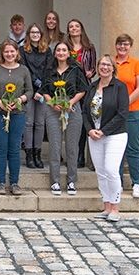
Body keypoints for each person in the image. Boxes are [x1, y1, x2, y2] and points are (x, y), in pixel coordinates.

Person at [83, 55, 129, 222]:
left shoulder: (119, 87)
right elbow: (85, 112)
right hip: (94, 136)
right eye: (102, 64)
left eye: (108, 65)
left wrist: (103, 131)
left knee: (111, 169)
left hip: (115, 135)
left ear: (113, 68)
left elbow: (122, 114)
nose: (104, 67)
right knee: (101, 172)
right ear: (97, 67)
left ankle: (116, 207)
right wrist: (90, 130)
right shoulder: (92, 87)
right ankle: (107, 206)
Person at [0, 39, 33, 196]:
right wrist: (0, 103)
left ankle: (14, 183)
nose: (9, 54)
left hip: (18, 113)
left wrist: (19, 100)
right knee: (0, 148)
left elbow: (30, 91)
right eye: (6, 51)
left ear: (17, 52)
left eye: (12, 51)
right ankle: (0, 183)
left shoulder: (24, 70)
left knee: (14, 148)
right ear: (2, 53)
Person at [41, 41, 88, 196]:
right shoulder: (49, 70)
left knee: (72, 147)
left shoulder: (76, 69)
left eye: (64, 50)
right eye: (58, 50)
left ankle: (71, 181)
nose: (61, 52)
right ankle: (55, 181)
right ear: (55, 53)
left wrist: (70, 102)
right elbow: (45, 90)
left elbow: (82, 89)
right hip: (53, 109)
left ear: (69, 53)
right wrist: (52, 103)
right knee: (55, 146)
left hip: (72, 109)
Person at [114, 34, 139, 199]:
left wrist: (124, 103)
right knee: (116, 149)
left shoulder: (136, 63)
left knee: (133, 148)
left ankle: (137, 183)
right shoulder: (111, 63)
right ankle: (117, 183)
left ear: (130, 46)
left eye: (125, 44)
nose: (122, 47)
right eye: (119, 44)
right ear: (116, 46)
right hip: (114, 113)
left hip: (134, 111)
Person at [19, 23, 52, 169]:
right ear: (28, 34)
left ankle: (38, 154)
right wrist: (34, 84)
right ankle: (29, 154)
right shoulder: (22, 50)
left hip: (42, 91)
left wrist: (41, 87)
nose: (35, 35)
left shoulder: (47, 51)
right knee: (28, 123)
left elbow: (49, 70)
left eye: (37, 32)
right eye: (32, 32)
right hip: (28, 89)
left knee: (40, 123)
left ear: (41, 35)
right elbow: (24, 69)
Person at [66, 18, 96, 168]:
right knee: (69, 122)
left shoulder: (89, 47)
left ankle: (80, 156)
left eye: (77, 26)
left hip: (85, 87)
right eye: (71, 27)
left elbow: (94, 67)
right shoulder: (65, 46)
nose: (74, 28)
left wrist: (91, 73)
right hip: (69, 87)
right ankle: (69, 154)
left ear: (81, 28)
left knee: (83, 120)